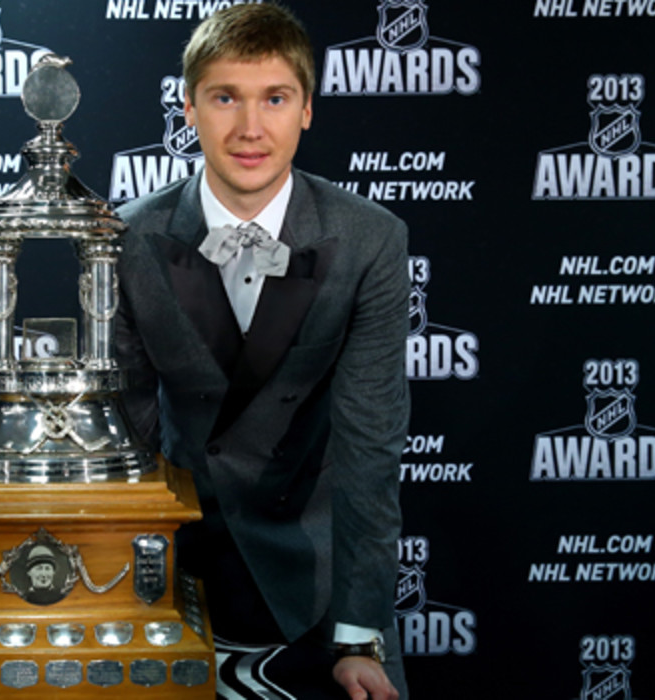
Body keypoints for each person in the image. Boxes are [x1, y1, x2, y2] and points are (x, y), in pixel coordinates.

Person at [115, 4, 410, 699]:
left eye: (274, 98)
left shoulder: (372, 239)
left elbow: (371, 446)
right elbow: (129, 446)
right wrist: (130, 599)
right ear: (188, 108)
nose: (250, 128)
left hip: (321, 577)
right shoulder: (126, 240)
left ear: (306, 109)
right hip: (180, 570)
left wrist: (360, 632)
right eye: (225, 98)